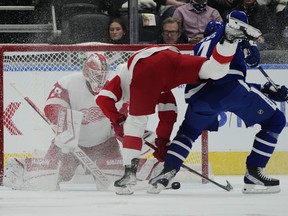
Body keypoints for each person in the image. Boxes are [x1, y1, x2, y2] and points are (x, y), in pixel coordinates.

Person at [96, 12, 262, 195]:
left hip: (144, 66)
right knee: (215, 70)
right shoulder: (158, 89)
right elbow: (169, 115)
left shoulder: (122, 76)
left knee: (135, 123)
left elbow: (102, 99)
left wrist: (118, 120)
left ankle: (128, 176)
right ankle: (229, 38)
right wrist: (162, 143)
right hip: (169, 59)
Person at [148, 11, 288, 194]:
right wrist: (250, 46)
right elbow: (249, 61)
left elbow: (219, 81)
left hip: (198, 96)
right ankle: (254, 172)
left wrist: (263, 89)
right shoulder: (231, 32)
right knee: (275, 120)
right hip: (228, 89)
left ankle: (166, 172)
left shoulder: (199, 45)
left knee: (187, 133)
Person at [3, 53, 159, 191]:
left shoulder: (116, 88)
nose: (101, 79)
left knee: (114, 179)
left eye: (103, 75)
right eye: (97, 75)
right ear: (87, 72)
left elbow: (123, 122)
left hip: (104, 144)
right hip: (70, 145)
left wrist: (135, 135)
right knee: (52, 177)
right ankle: (18, 168)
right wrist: (63, 129)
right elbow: (52, 107)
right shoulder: (68, 83)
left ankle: (156, 170)